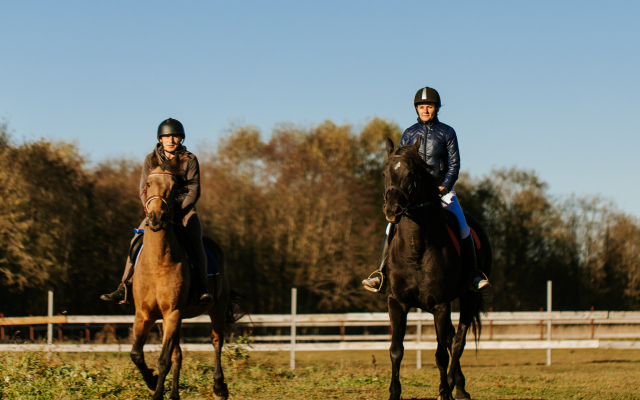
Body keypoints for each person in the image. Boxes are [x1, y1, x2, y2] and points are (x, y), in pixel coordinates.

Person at [362, 87, 490, 293]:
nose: (425, 110)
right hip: (414, 196)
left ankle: (473, 273)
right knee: (390, 227)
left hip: (442, 191)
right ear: (417, 109)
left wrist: (445, 185)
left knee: (463, 226)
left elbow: (454, 165)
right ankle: (380, 273)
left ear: (436, 108)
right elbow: (402, 167)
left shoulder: (447, 132)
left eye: (429, 106)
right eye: (422, 107)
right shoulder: (408, 133)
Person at [100, 118, 213, 304]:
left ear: (181, 139)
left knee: (195, 239)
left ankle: (202, 286)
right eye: (167, 136)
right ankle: (125, 286)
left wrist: (176, 210)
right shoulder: (150, 159)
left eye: (175, 136)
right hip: (156, 210)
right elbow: (143, 190)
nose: (171, 140)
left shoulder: (190, 160)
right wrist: (151, 209)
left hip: (184, 210)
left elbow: (194, 190)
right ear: (160, 139)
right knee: (136, 239)